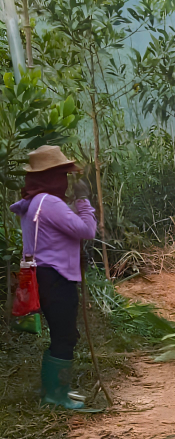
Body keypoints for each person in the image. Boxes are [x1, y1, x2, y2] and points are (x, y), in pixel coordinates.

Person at [10, 145, 97, 410]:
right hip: (56, 276)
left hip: (42, 275)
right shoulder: (49, 203)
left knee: (61, 333)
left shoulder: (32, 203)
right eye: (62, 175)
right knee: (65, 335)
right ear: (51, 178)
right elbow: (87, 230)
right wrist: (83, 202)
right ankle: (56, 396)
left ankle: (54, 389)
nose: (66, 181)